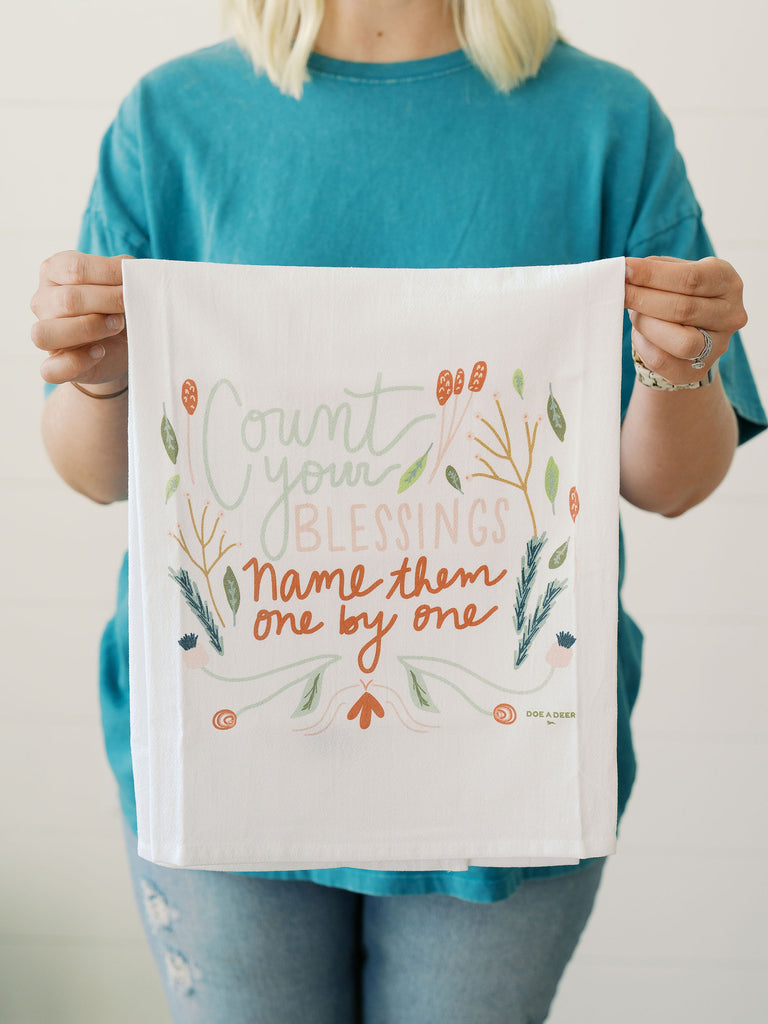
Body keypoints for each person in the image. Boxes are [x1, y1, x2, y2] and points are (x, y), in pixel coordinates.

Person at [30, 1, 766, 1022]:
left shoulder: (606, 123)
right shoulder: (169, 122)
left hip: (503, 764)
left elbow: (669, 483)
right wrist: (101, 374)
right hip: (228, 743)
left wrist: (678, 361)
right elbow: (100, 473)